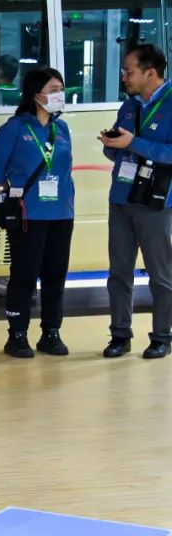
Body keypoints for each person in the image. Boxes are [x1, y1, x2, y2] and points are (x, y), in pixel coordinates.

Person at [0, 67, 74, 358]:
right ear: (36, 95)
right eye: (53, 90)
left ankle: (51, 332)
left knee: (55, 275)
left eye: (61, 89)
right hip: (28, 215)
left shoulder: (61, 129)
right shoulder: (14, 128)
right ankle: (17, 335)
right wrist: (14, 196)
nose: (60, 95)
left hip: (61, 213)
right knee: (24, 275)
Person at [99, 44, 172, 360]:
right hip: (121, 197)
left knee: (160, 274)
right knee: (118, 271)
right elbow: (119, 150)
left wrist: (134, 143)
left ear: (150, 73)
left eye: (129, 71)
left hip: (156, 202)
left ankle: (162, 336)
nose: (124, 77)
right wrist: (112, 144)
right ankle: (120, 334)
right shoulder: (129, 105)